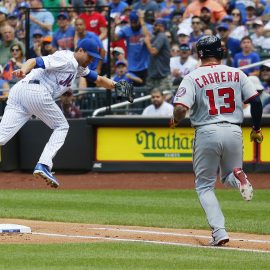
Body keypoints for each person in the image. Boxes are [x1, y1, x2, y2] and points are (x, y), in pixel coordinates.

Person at [0, 38, 131, 188]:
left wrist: (117, 86)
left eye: (93, 58)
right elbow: (35, 60)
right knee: (62, 126)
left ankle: (43, 165)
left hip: (19, 92)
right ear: (80, 50)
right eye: (89, 56)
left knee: (1, 137)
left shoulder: (78, 67)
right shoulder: (65, 58)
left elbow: (99, 80)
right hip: (35, 90)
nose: (91, 60)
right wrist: (24, 69)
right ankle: (43, 164)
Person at [171, 35, 263, 246]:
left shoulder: (193, 77)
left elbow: (179, 109)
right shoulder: (237, 73)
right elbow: (256, 101)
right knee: (229, 174)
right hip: (233, 129)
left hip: (206, 131)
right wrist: (256, 128)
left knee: (204, 186)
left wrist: (176, 120)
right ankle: (240, 176)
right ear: (220, 52)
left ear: (198, 54)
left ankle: (220, 232)